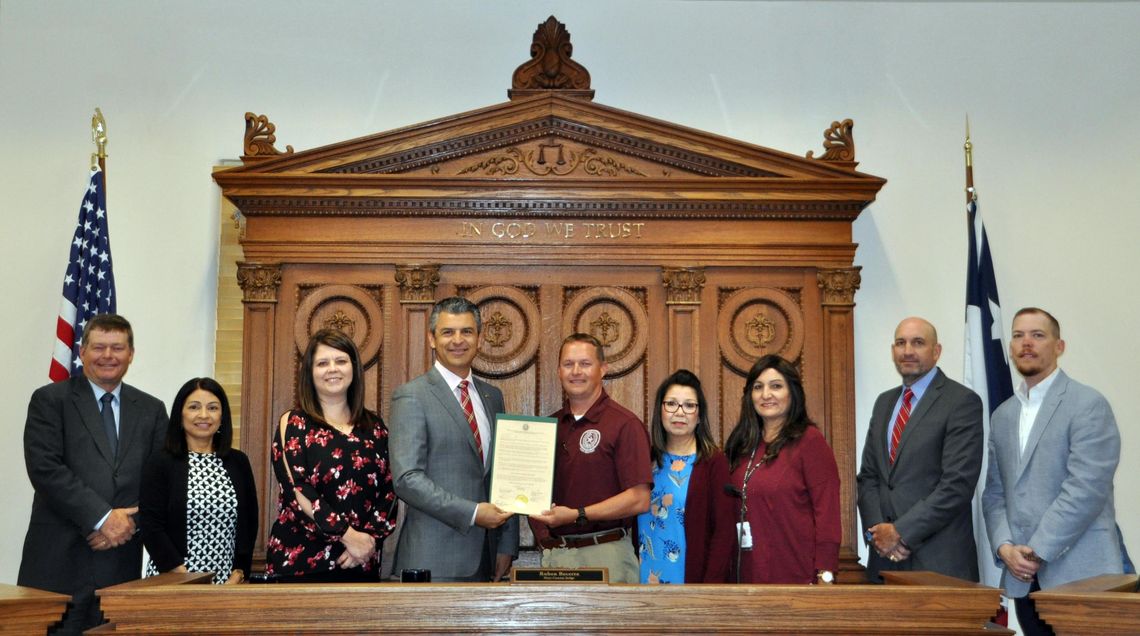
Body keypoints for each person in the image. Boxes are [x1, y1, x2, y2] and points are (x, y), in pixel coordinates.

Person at [18, 313, 168, 634]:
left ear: (131, 354)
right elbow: (45, 468)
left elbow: (160, 483)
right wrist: (102, 517)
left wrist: (127, 523)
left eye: (117, 347)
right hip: (57, 568)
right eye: (99, 347)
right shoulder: (49, 400)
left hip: (119, 570)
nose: (108, 356)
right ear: (82, 351)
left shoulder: (152, 410)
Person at [982, 307, 1122, 636]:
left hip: (1083, 577)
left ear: (1059, 347)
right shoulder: (1003, 415)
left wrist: (1036, 551)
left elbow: (1085, 489)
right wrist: (1004, 548)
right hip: (1023, 581)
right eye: (1018, 335)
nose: (1026, 343)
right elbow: (994, 493)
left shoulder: (1088, 404)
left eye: (1037, 335)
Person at [390, 296, 519, 581]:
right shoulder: (412, 396)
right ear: (432, 339)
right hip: (431, 561)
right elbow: (407, 479)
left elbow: (502, 475)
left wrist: (506, 545)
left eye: (467, 331)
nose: (457, 340)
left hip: (486, 559)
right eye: (448, 332)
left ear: (479, 339)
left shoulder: (492, 397)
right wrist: (473, 513)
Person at [856, 317, 984, 582]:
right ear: (893, 351)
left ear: (936, 351)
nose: (908, 351)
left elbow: (957, 484)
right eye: (901, 343)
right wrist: (878, 535)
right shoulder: (884, 403)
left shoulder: (961, 402)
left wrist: (900, 532)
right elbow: (868, 477)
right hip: (884, 563)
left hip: (939, 562)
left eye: (918, 343)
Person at [265, 328, 397, 582]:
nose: (332, 369)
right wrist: (348, 536)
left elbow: (390, 492)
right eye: (322, 363)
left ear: (354, 368)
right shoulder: (292, 423)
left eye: (341, 361)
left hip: (360, 561)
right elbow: (297, 490)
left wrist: (367, 542)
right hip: (301, 564)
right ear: (310, 373)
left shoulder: (375, 427)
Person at [529, 334, 651, 584]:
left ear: (602, 369)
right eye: (568, 364)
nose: (576, 371)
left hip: (608, 554)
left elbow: (639, 499)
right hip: (556, 556)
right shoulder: (548, 427)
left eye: (585, 364)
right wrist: (544, 536)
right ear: (558, 371)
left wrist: (577, 514)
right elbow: (532, 491)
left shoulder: (624, 424)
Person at [724, 354, 840, 584]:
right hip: (743, 575)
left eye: (776, 386)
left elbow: (827, 513)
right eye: (758, 387)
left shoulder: (810, 442)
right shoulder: (741, 444)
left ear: (792, 393)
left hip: (795, 574)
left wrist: (825, 575)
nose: (766, 394)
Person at [139, 378, 258, 584]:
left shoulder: (238, 462)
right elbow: (151, 525)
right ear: (180, 414)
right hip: (172, 579)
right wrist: (183, 574)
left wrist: (239, 572)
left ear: (222, 416)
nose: (204, 415)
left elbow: (249, 522)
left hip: (228, 584)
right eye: (194, 407)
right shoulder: (160, 462)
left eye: (213, 408)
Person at [636, 369, 734, 584]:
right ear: (660, 411)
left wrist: (710, 589)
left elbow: (724, 533)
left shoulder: (713, 462)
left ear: (699, 416)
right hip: (642, 581)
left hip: (691, 583)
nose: (679, 412)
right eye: (671, 404)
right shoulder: (644, 460)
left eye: (689, 405)